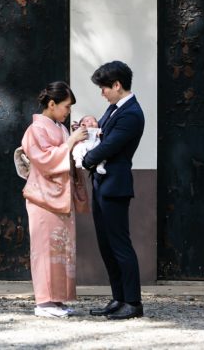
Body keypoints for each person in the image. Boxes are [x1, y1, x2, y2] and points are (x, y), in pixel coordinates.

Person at [20, 81, 89, 318]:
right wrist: (70, 143)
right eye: (66, 106)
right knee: (44, 249)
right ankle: (43, 302)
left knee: (62, 249)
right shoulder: (35, 130)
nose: (68, 111)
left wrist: (78, 142)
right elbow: (45, 161)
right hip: (43, 197)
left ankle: (56, 300)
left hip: (60, 196)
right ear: (52, 104)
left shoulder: (59, 127)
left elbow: (65, 155)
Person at [82, 61, 146, 320]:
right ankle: (118, 298)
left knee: (120, 245)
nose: (102, 93)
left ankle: (133, 301)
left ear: (117, 85)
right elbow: (102, 134)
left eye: (104, 88)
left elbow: (110, 145)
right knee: (106, 245)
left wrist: (86, 159)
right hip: (103, 184)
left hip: (115, 186)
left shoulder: (131, 113)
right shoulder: (115, 108)